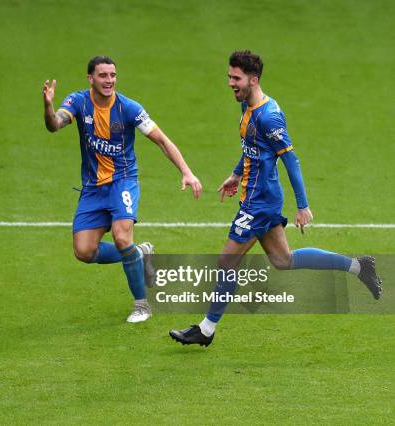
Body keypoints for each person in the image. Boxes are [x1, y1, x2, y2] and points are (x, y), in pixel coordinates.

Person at [169, 50, 382, 346]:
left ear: (253, 80)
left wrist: (303, 205)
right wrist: (235, 173)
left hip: (261, 202)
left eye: (236, 78)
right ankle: (359, 266)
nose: (231, 83)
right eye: (230, 77)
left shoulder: (269, 117)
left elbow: (290, 160)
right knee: (283, 260)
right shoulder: (247, 105)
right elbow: (252, 147)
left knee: (226, 260)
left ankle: (206, 330)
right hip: (255, 197)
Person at [43, 56, 203, 323]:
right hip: (94, 188)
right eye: (103, 75)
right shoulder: (78, 102)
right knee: (84, 251)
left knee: (120, 237)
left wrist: (186, 171)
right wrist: (48, 106)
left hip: (122, 182)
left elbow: (161, 140)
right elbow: (54, 125)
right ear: (90, 78)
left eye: (113, 75)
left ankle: (142, 304)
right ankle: (140, 253)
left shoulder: (128, 108)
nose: (109, 80)